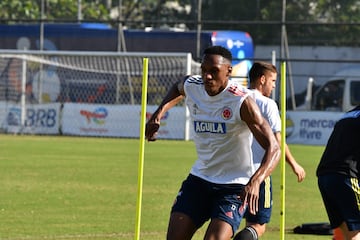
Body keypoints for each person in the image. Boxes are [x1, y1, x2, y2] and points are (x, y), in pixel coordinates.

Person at [145, 46, 281, 240]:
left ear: (228, 71)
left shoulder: (241, 101)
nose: (207, 76)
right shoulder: (194, 86)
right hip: (200, 179)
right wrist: (158, 114)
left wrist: (256, 180)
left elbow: (274, 148)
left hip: (233, 186)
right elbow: (178, 86)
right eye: (204, 70)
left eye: (214, 71)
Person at [234, 62, 306, 239]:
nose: (274, 85)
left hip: (232, 171)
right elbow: (277, 143)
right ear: (262, 79)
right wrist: (294, 164)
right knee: (257, 226)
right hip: (260, 172)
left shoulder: (236, 97)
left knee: (227, 221)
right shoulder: (267, 104)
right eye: (273, 81)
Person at [316, 105, 360, 240]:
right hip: (345, 177)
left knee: (343, 233)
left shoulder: (349, 114)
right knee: (356, 233)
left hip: (325, 177)